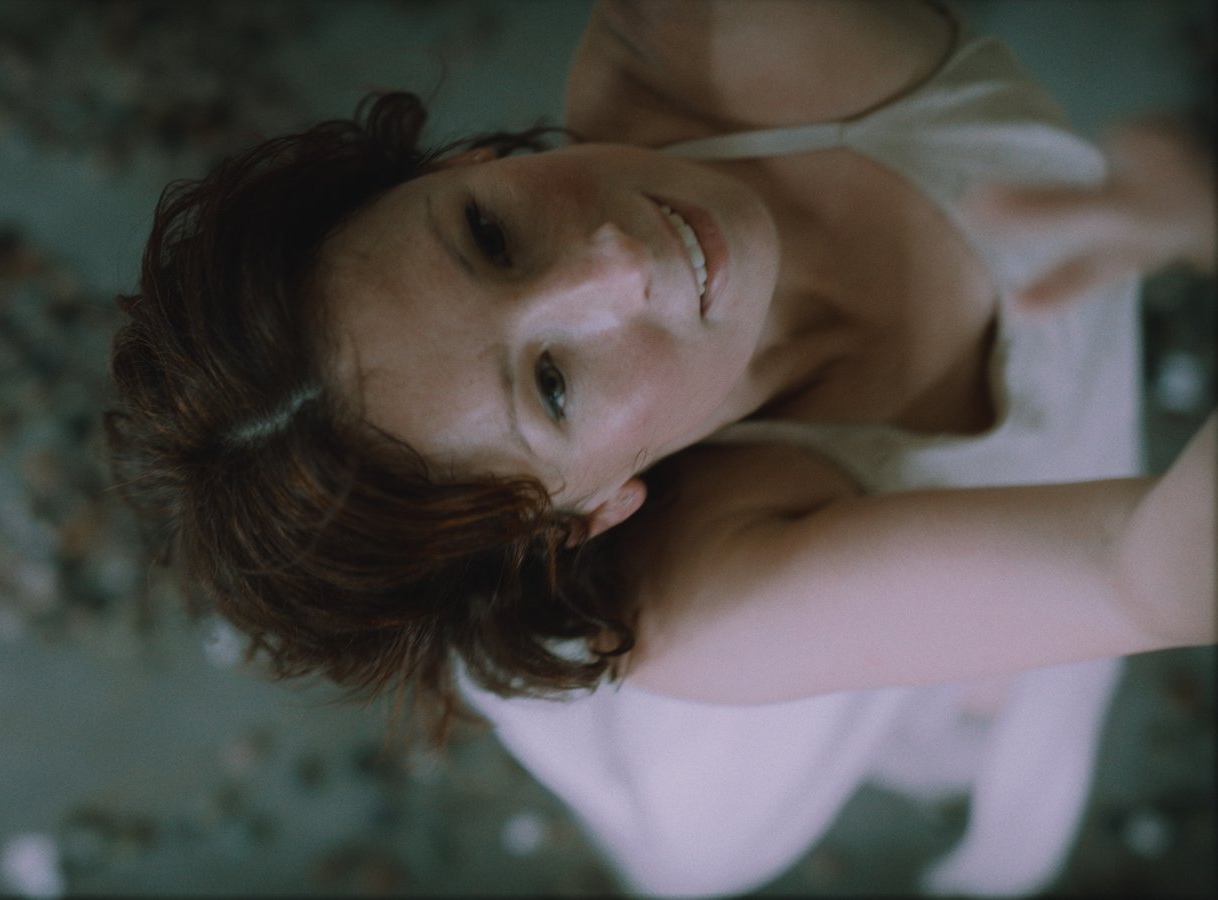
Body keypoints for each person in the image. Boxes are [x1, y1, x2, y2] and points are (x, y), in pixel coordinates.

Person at [104, 1, 1214, 894]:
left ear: (462, 160)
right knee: (745, 826)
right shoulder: (696, 605)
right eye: (552, 383)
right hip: (718, 620)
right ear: (583, 515)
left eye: (489, 232)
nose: (613, 259)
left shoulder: (699, 35)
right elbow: (1144, 574)